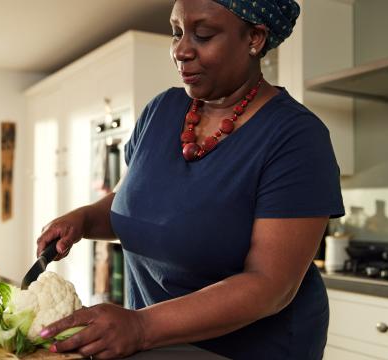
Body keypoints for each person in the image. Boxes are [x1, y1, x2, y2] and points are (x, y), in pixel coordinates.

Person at [35, 0, 344, 359]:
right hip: (159, 346)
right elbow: (133, 202)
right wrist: (83, 219)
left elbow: (270, 285)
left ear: (255, 38)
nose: (181, 50)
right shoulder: (160, 111)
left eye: (203, 34)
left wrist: (140, 326)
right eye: (176, 32)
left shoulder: (295, 137)